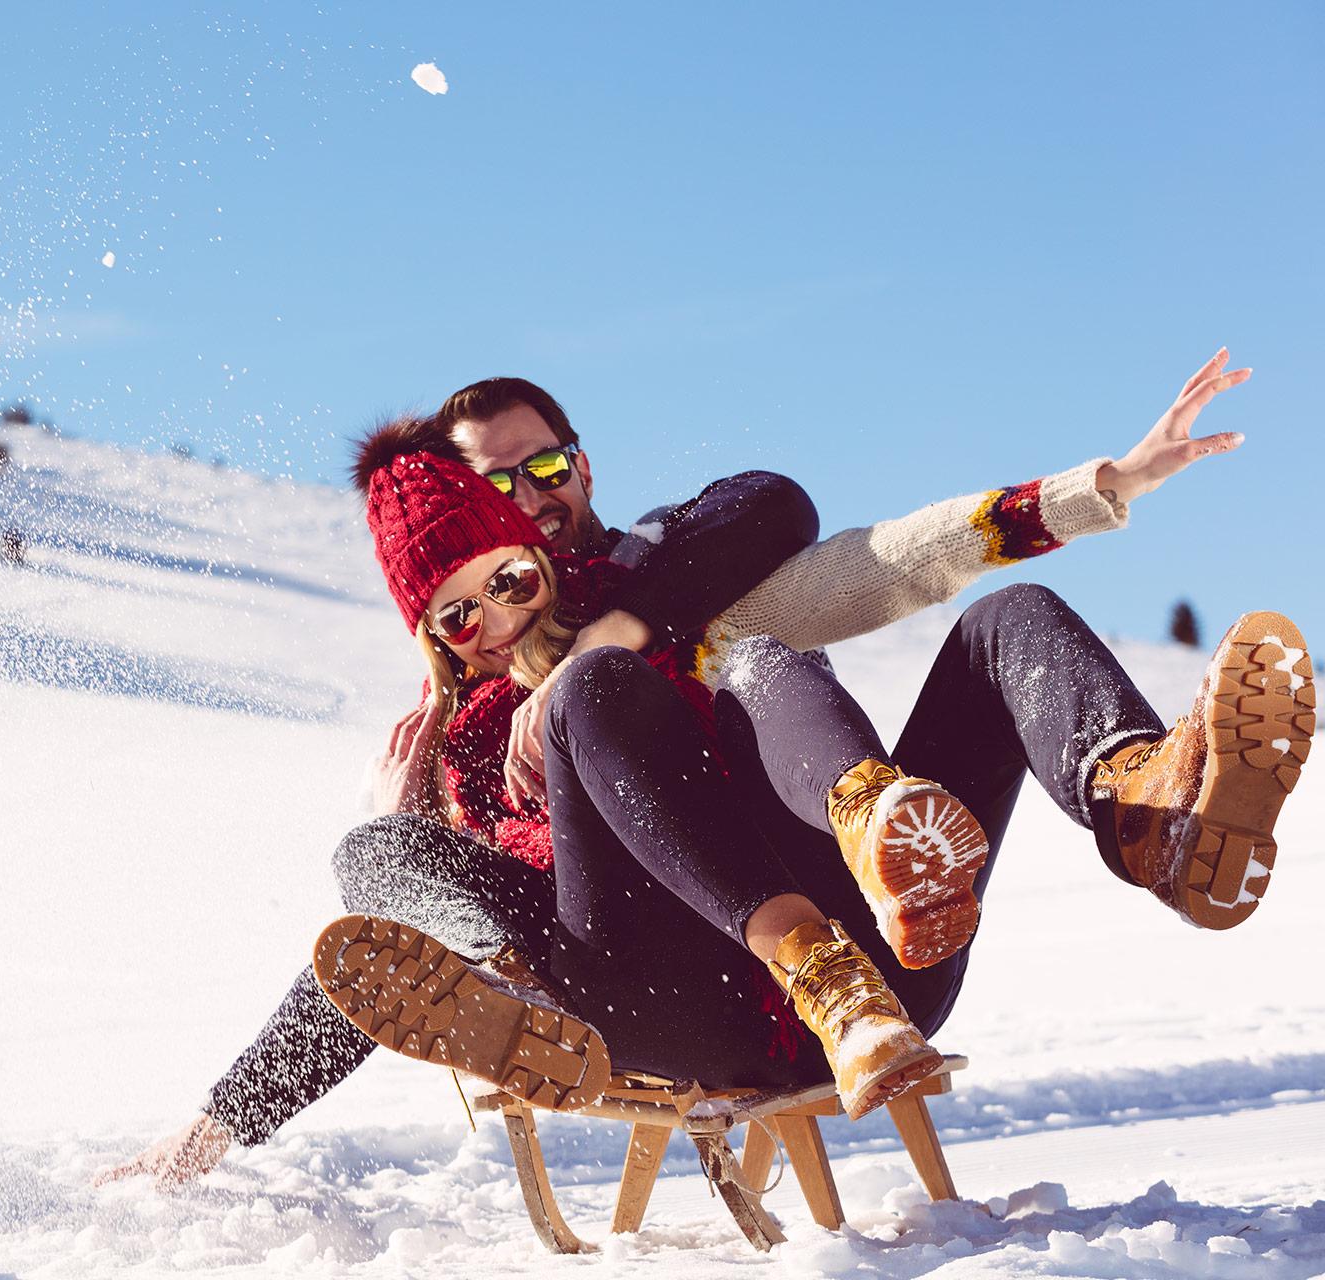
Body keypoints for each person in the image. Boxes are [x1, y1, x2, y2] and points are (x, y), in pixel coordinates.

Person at [97, 350, 1311, 1190]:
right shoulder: (449, 739)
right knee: (374, 852)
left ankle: (1154, 811)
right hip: (660, 996)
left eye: (543, 471)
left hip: (889, 971)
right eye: (491, 489)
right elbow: (361, 959)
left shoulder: (681, 585)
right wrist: (207, 1133)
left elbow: (869, 558)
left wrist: (1096, 488)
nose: (530, 503)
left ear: (575, 466)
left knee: (997, 621)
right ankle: (528, 1005)